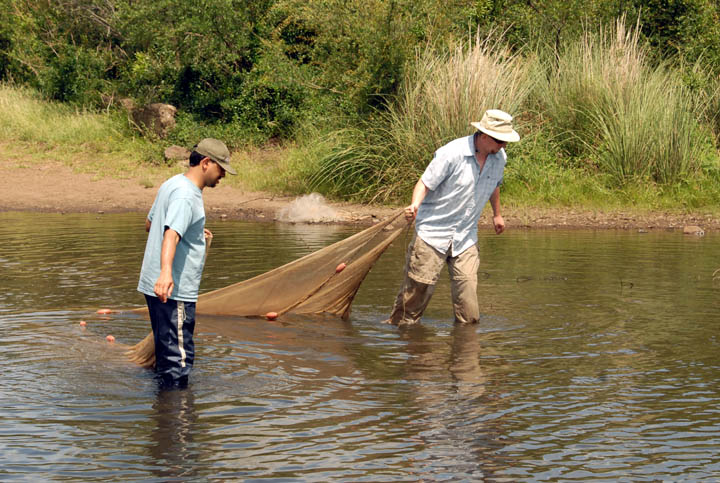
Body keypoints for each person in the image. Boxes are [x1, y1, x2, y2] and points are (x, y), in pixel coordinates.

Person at [387, 109, 520, 326]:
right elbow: (425, 183)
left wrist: (497, 214)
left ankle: (466, 351)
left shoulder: (499, 157)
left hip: (466, 237)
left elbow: (494, 185)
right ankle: (404, 343)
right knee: (410, 307)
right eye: (500, 140)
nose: (503, 146)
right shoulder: (452, 153)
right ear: (484, 135)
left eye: (505, 141)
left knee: (469, 310)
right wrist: (414, 204)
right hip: (432, 234)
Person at [137, 138, 236, 388]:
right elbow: (170, 234)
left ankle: (163, 415)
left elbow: (152, 224)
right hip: (174, 290)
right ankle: (177, 421)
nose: (223, 175)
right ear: (205, 163)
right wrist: (166, 274)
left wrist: (193, 231)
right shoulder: (187, 195)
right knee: (178, 362)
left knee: (166, 354)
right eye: (221, 168)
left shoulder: (172, 183)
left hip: (154, 286)